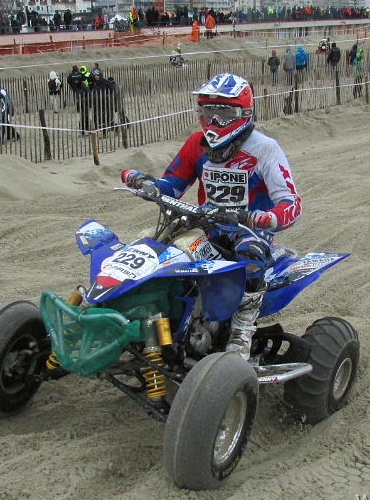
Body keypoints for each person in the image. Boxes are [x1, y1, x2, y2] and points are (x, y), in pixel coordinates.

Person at [120, 73, 302, 359]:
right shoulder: (197, 143)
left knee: (250, 259)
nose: (214, 123)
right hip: (204, 222)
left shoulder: (265, 148)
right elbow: (173, 186)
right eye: (208, 112)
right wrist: (148, 184)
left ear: (244, 113)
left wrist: (268, 217)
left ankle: (242, 330)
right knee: (153, 249)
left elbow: (291, 203)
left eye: (224, 113)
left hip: (248, 228)